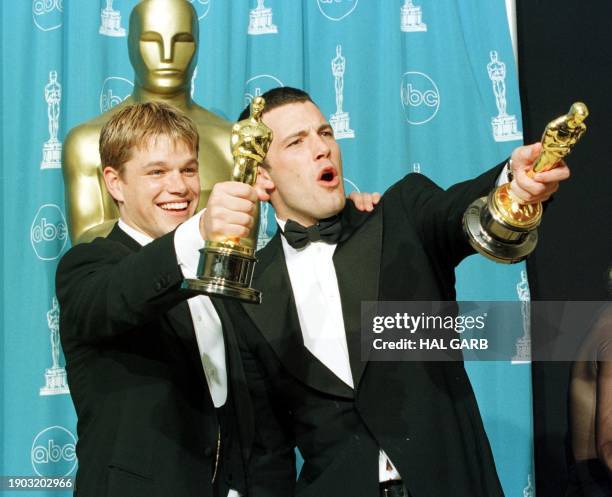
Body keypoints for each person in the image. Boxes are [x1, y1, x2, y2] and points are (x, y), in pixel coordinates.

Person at [201, 87, 571, 497]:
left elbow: (457, 211)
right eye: (297, 142)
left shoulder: (401, 217)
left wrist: (513, 187)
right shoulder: (250, 291)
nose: (322, 149)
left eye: (325, 133)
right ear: (263, 176)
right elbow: (266, 452)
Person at [56, 102, 253, 497]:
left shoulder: (209, 274)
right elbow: (118, 298)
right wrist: (198, 231)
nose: (179, 186)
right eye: (157, 172)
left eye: (188, 169)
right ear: (114, 183)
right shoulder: (89, 264)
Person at [63, 0, 234, 244]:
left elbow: (240, 244)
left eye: (182, 41)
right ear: (130, 44)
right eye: (152, 41)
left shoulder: (231, 139)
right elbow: (91, 246)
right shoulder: (86, 141)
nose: (167, 55)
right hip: (129, 279)